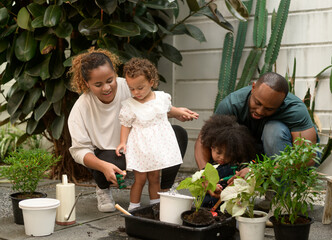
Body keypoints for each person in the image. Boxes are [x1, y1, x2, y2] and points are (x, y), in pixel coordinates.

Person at [68, 48, 198, 213]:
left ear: (115, 74)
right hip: (112, 155)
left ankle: (165, 190)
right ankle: (103, 188)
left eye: (110, 80)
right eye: (98, 84)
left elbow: (150, 105)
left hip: (139, 145)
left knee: (178, 133)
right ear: (87, 84)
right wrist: (103, 167)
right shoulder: (82, 106)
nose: (107, 88)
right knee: (105, 160)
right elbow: (79, 150)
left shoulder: (129, 85)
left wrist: (175, 112)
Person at [195, 72, 318, 180]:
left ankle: (277, 198)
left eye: (269, 109)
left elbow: (307, 156)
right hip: (254, 157)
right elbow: (204, 140)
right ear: (253, 88)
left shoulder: (295, 110)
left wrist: (260, 171)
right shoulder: (232, 104)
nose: (259, 111)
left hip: (284, 162)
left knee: (273, 130)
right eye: (257, 103)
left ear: (282, 103)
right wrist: (206, 176)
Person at [115, 58, 186, 210]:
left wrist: (181, 112)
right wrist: (123, 142)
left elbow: (167, 111)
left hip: (158, 146)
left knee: (154, 178)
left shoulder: (161, 98)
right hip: (140, 147)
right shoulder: (130, 105)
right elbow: (125, 125)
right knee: (139, 179)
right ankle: (134, 207)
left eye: (140, 88)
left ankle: (156, 206)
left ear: (151, 82)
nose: (136, 92)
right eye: (131, 89)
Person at [199, 115, 258, 208]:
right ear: (211, 147)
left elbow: (251, 170)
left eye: (228, 155)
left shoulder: (238, 165)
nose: (222, 157)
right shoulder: (210, 167)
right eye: (218, 152)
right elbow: (200, 182)